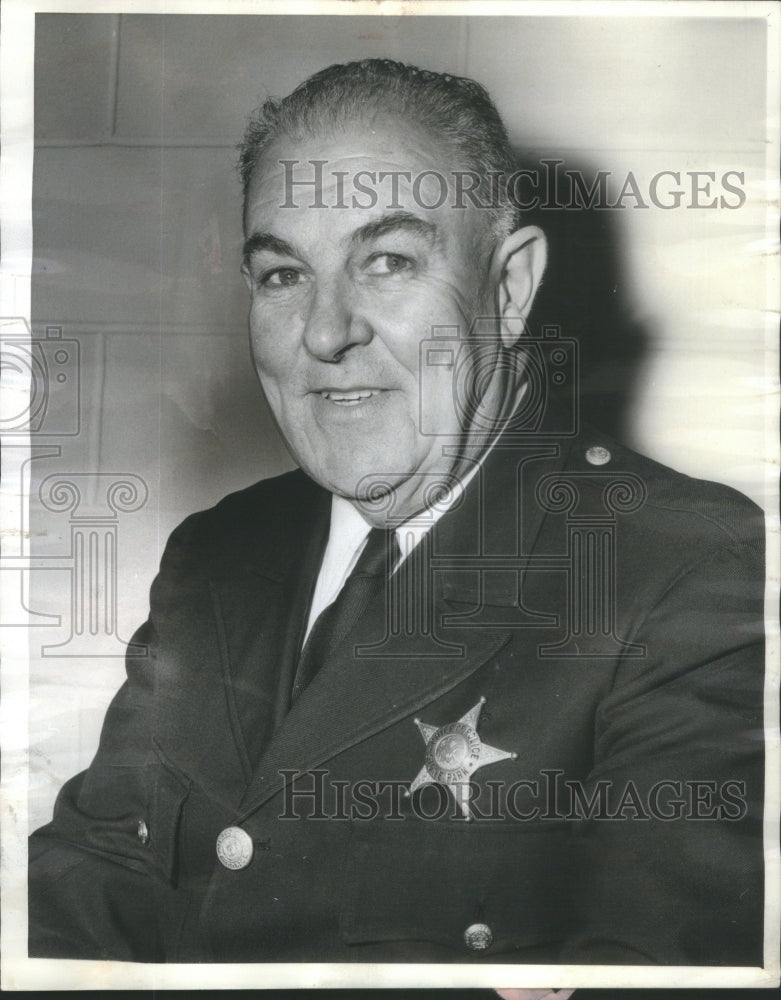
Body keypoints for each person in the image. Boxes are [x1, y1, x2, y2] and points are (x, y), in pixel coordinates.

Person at [29, 59, 765, 971]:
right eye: (282, 274)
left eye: (388, 261)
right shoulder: (218, 553)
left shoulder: (671, 563)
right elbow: (87, 893)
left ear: (507, 289)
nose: (327, 332)